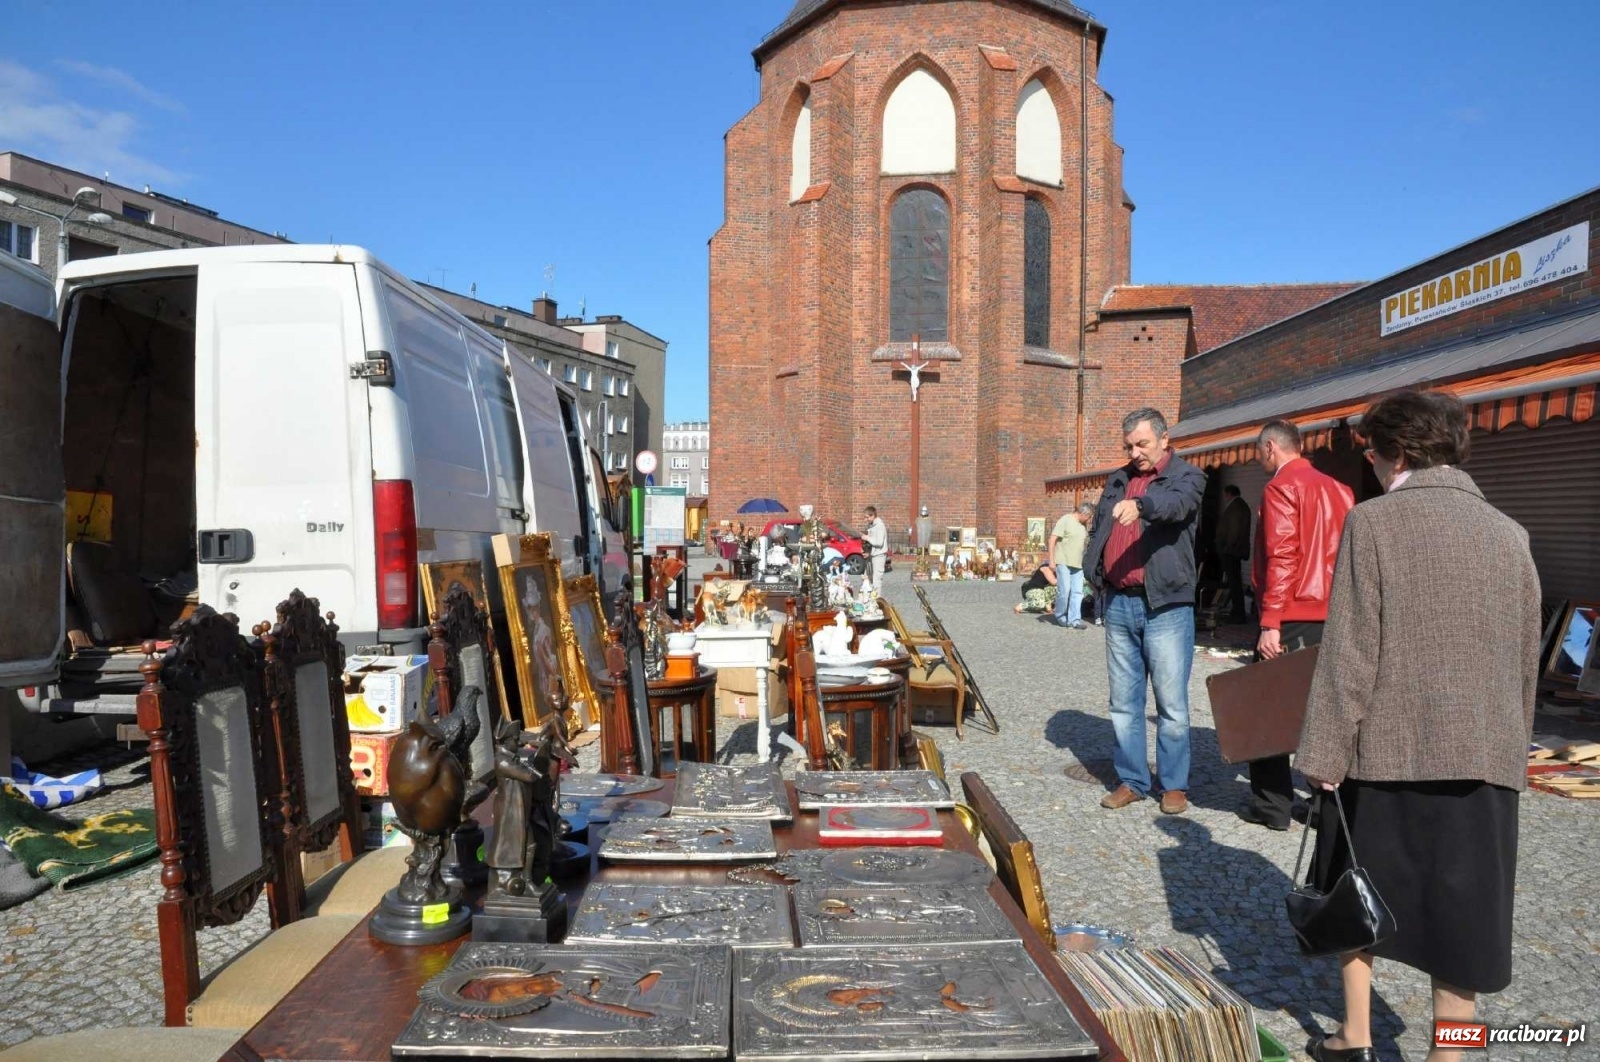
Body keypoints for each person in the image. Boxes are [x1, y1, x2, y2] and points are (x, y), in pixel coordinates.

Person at [1295, 390, 1540, 1062]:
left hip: (1386, 750)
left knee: (1356, 890)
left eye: (1370, 452)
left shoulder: (1373, 525)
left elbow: (1349, 654)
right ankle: (1450, 1054)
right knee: (1467, 916)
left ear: (1395, 451)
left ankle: (1354, 1034)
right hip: (1482, 757)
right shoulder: (1511, 535)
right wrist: (1511, 754)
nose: (1369, 464)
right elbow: (1526, 664)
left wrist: (1321, 752)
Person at [1083, 408, 1206, 815]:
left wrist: (1143, 506)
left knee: (1171, 703)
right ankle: (1132, 779)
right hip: (1119, 602)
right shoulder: (1118, 479)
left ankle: (1173, 784)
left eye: (1142, 444)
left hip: (1166, 605)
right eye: (1129, 446)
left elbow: (1175, 507)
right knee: (1123, 702)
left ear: (1164, 439)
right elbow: (1100, 526)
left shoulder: (1188, 476)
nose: (1135, 452)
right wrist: (1093, 569)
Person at [1239, 420, 1353, 831]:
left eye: (1258, 452)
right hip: (1333, 613)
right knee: (1323, 711)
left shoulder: (1280, 487)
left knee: (1266, 709)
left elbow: (1282, 557)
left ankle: (1272, 806)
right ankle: (1326, 808)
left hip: (1291, 613)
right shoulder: (1342, 491)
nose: (1258, 459)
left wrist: (1270, 621)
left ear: (1270, 447)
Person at [1047, 503, 1094, 628]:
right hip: (1064, 561)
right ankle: (1060, 615)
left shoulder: (1082, 525)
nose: (1089, 521)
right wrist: (1051, 560)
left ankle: (1074, 620)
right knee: (1065, 591)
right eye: (1089, 517)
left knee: (1078, 592)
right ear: (1084, 513)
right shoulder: (1065, 520)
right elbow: (1052, 539)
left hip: (1078, 564)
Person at [1214, 485, 1253, 623]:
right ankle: (1236, 611)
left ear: (1229, 493)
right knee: (1234, 582)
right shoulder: (1240, 506)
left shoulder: (1236, 507)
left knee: (1234, 583)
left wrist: (1227, 548)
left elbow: (1234, 531)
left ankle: (1238, 613)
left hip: (1232, 552)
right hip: (1234, 551)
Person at [863, 505, 888, 588]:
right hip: (873, 555)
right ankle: (870, 599)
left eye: (867, 517)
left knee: (877, 579)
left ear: (873, 515)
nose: (865, 519)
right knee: (868, 578)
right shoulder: (872, 525)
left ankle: (876, 600)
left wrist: (867, 538)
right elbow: (871, 543)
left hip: (879, 556)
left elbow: (879, 542)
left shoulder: (880, 526)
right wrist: (868, 553)